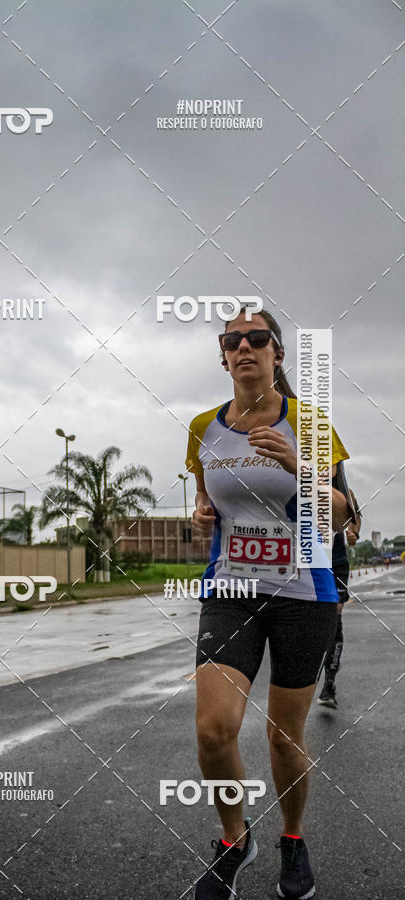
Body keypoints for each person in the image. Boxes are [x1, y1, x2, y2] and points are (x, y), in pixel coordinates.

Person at [185, 308, 352, 900]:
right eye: (233, 341)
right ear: (223, 355)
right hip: (231, 589)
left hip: (304, 593)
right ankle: (235, 840)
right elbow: (207, 503)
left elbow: (345, 516)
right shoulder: (204, 426)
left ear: (278, 353)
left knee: (284, 738)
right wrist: (201, 513)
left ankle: (292, 838)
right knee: (214, 729)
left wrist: (298, 467)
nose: (245, 348)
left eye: (258, 339)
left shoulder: (309, 421)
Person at [317, 487, 361, 709]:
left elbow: (355, 515)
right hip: (305, 554)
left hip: (335, 558)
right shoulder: (292, 473)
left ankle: (329, 684)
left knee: (335, 612)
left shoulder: (342, 489)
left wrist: (353, 533)